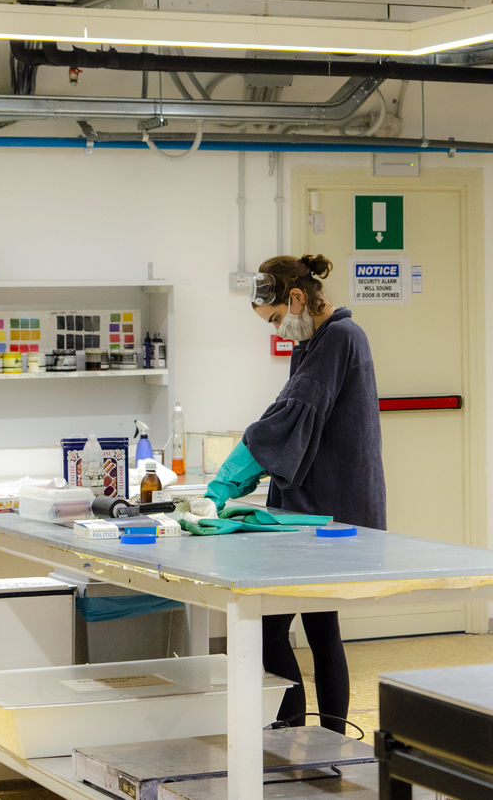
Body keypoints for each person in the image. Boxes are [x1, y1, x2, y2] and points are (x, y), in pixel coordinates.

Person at [203, 253, 386, 734]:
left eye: (279, 318)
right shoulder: (313, 342)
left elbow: (286, 423)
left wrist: (223, 485)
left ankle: (295, 735)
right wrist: (236, 481)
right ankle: (323, 739)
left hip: (326, 512)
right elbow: (289, 416)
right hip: (312, 505)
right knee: (320, 628)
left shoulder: (340, 338)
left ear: (299, 298)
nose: (279, 330)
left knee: (271, 629)